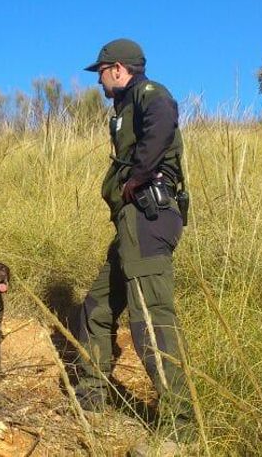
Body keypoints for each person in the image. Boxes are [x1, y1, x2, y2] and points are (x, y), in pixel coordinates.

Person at [75, 39, 191, 428]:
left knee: (151, 321)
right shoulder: (124, 107)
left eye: (102, 73)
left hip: (147, 217)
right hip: (130, 225)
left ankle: (181, 426)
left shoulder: (149, 94)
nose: (99, 82)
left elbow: (162, 121)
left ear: (119, 69)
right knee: (97, 305)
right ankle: (90, 395)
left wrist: (138, 177)